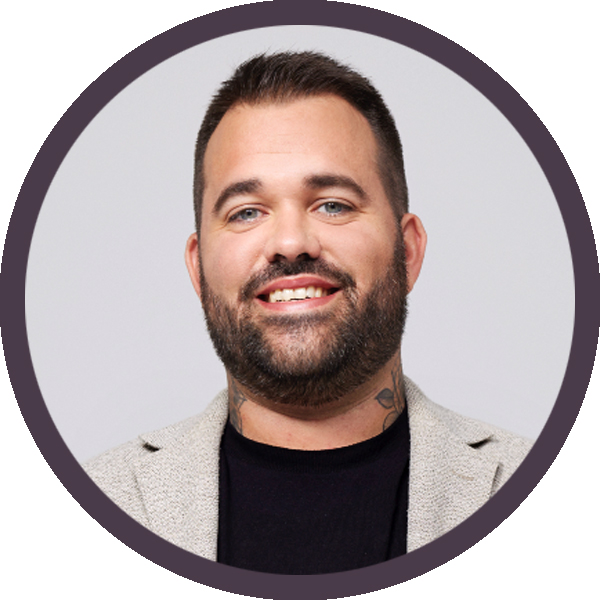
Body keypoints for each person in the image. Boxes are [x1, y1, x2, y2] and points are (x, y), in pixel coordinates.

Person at [85, 51, 532, 574]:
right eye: (246, 212)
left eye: (332, 204)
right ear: (198, 268)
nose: (291, 242)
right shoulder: (84, 511)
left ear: (407, 251)